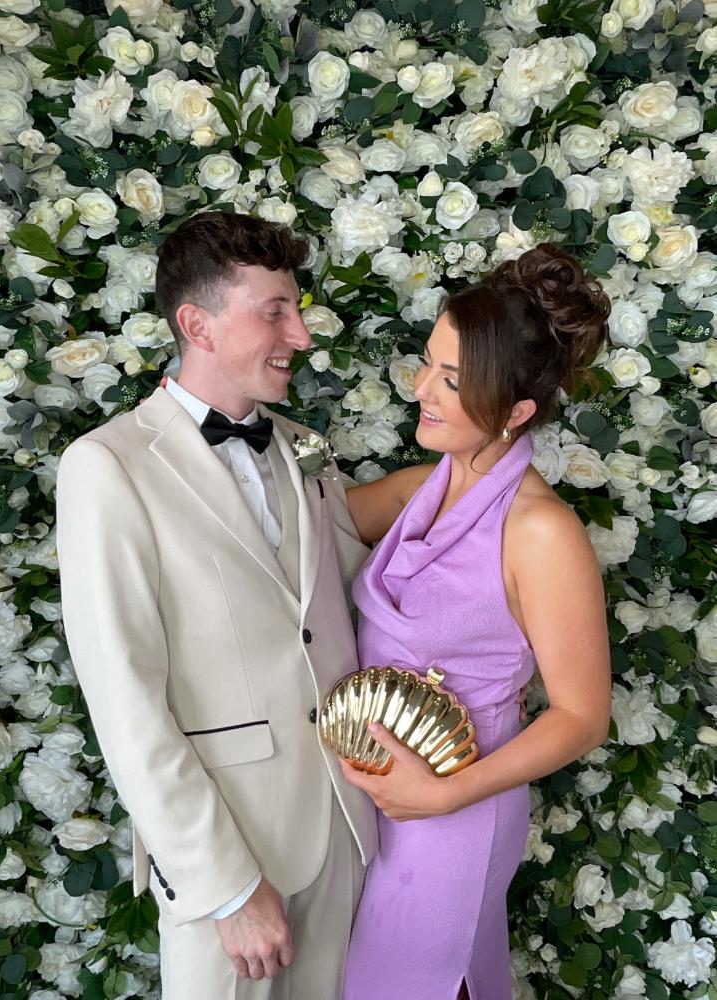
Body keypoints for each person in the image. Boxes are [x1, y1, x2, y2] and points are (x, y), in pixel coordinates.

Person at [56, 211, 377, 1000]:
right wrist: (226, 889)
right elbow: (125, 700)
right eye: (275, 311)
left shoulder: (306, 446)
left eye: (296, 309)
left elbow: (351, 601)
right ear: (196, 325)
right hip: (231, 858)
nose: (300, 334)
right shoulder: (106, 466)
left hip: (346, 827)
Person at [340, 244, 612, 1000]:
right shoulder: (416, 490)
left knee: (421, 984)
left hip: (456, 806)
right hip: (375, 798)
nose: (421, 389)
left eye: (453, 381)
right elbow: (284, 536)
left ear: (517, 413)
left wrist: (446, 797)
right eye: (428, 363)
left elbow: (583, 717)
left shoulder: (540, 533)